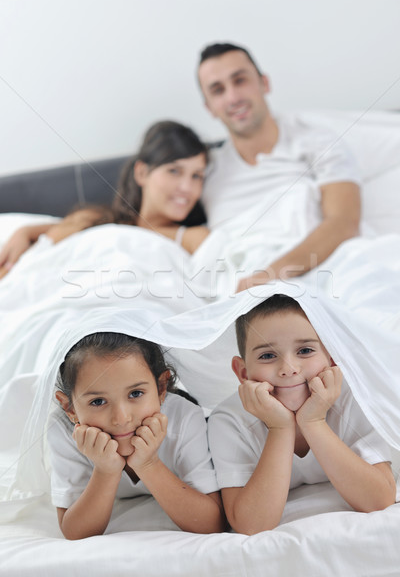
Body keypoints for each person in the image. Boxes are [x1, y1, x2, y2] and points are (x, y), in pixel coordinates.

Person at [207, 294, 396, 535]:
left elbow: (379, 501)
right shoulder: (228, 420)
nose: (289, 369)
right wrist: (280, 428)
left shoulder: (355, 397)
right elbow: (251, 525)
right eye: (267, 355)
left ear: (332, 359)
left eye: (305, 350)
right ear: (243, 372)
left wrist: (313, 422)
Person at [197, 43, 362, 292]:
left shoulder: (316, 141)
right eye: (218, 90)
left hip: (329, 275)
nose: (233, 97)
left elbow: (344, 222)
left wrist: (267, 277)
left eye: (240, 80)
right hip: (243, 294)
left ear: (264, 83)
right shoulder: (205, 173)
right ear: (209, 107)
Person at [48, 331, 225, 539]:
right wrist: (105, 471)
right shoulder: (62, 430)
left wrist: (148, 464)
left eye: (135, 394)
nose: (121, 418)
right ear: (69, 408)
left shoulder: (184, 418)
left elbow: (211, 523)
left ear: (161, 388)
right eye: (97, 401)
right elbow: (75, 532)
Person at [0, 121, 209, 278]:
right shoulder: (93, 220)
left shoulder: (192, 237)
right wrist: (24, 231)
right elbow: (39, 257)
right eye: (174, 171)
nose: (186, 188)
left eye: (196, 175)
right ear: (142, 173)